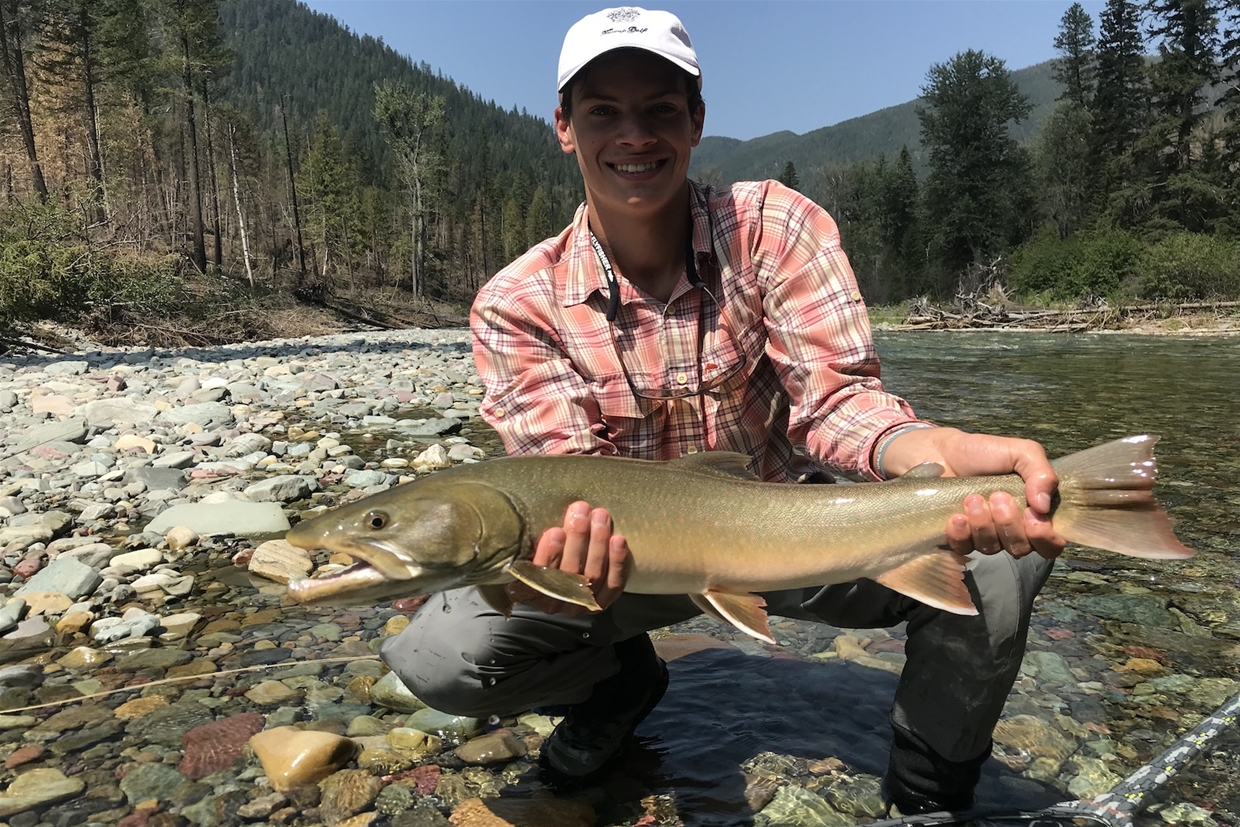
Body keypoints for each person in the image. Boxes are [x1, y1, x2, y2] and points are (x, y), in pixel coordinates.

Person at [380, 6, 1065, 814]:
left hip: (795, 531)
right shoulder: (516, 305)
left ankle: (929, 789)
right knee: (439, 651)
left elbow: (836, 400)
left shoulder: (777, 228)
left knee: (1002, 551)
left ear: (696, 120)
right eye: (604, 111)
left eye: (660, 109)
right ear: (564, 126)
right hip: (626, 568)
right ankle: (620, 687)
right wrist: (540, 573)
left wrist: (931, 446)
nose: (634, 135)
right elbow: (564, 485)